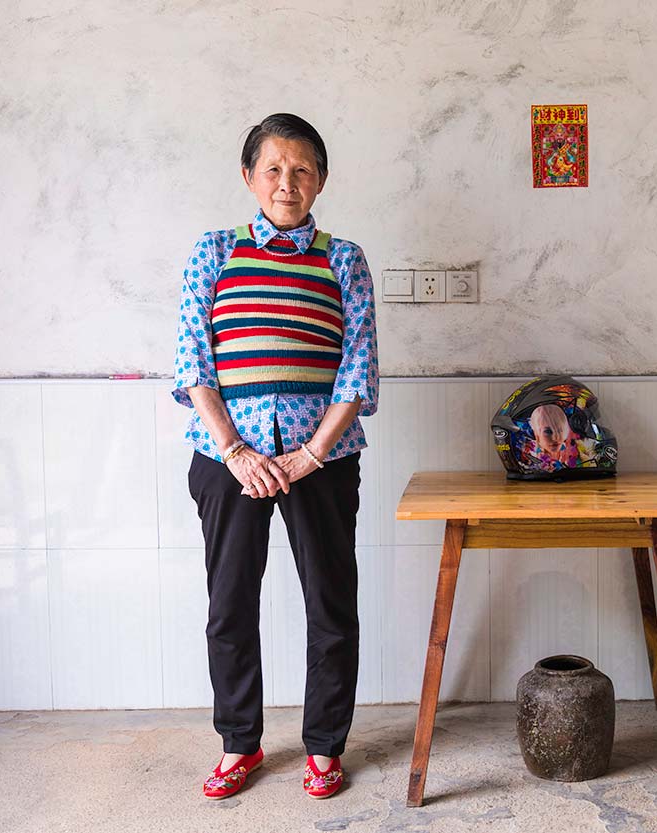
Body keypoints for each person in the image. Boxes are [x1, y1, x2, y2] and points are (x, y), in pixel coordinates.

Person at [171, 113, 379, 801]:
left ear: (320, 179)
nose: (287, 183)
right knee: (229, 606)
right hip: (228, 459)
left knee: (331, 604)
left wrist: (311, 454)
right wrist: (234, 450)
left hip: (322, 460)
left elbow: (359, 368)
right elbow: (192, 361)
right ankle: (240, 742)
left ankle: (325, 746)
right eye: (273, 169)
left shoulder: (342, 257)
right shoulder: (215, 251)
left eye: (302, 170)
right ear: (249, 176)